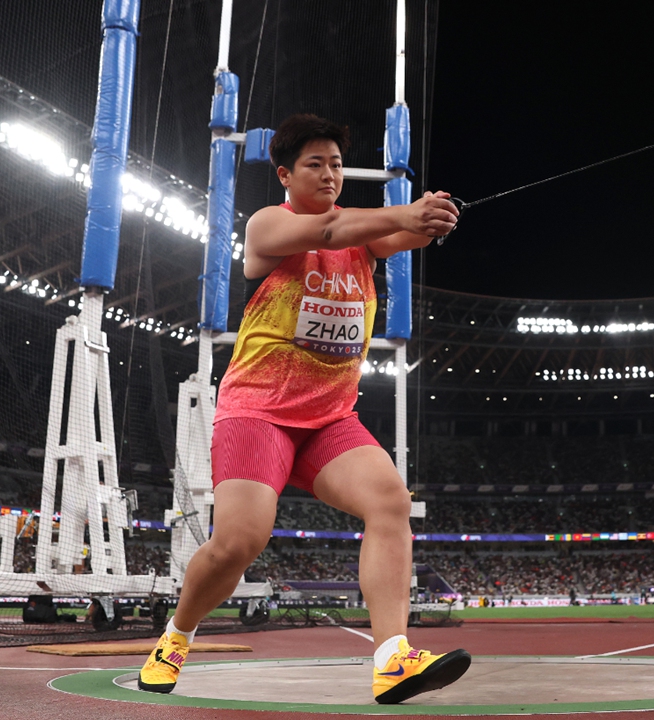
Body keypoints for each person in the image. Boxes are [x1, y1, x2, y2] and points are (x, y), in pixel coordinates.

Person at [138, 114, 470, 704]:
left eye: (337, 163)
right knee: (239, 542)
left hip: (329, 419)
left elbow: (403, 235)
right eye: (315, 163)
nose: (329, 173)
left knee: (390, 501)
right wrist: (407, 214)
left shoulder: (364, 235)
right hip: (257, 412)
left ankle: (393, 658)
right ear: (286, 173)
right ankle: (176, 636)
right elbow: (332, 232)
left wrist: (435, 215)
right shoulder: (269, 225)